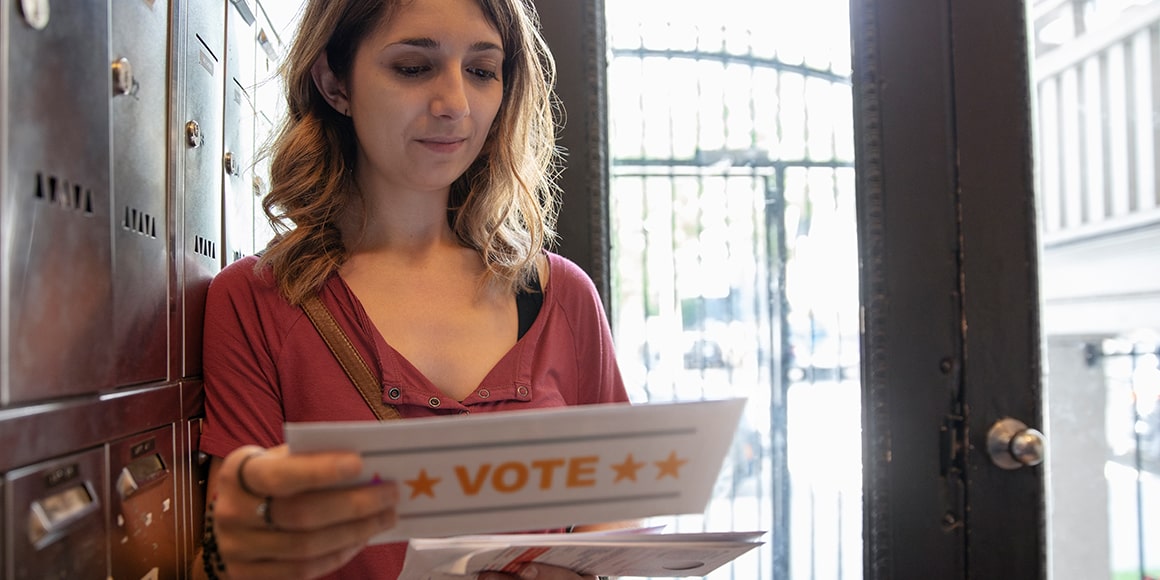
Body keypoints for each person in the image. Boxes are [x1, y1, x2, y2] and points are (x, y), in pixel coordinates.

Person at [196, 0, 630, 578]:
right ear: (333, 82)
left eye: (481, 71)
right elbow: (232, 549)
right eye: (412, 68)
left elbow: (618, 509)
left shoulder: (564, 296)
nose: (455, 105)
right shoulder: (254, 301)